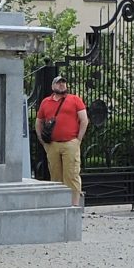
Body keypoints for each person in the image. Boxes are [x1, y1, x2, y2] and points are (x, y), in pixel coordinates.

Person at [36, 72, 88, 206]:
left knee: (71, 175)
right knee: (55, 177)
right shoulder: (45, 102)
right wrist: (43, 141)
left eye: (63, 82)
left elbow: (84, 120)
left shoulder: (75, 99)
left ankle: (74, 205)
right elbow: (39, 122)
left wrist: (78, 140)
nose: (62, 84)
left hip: (70, 142)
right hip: (52, 144)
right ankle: (59, 205)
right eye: (59, 82)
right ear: (53, 85)